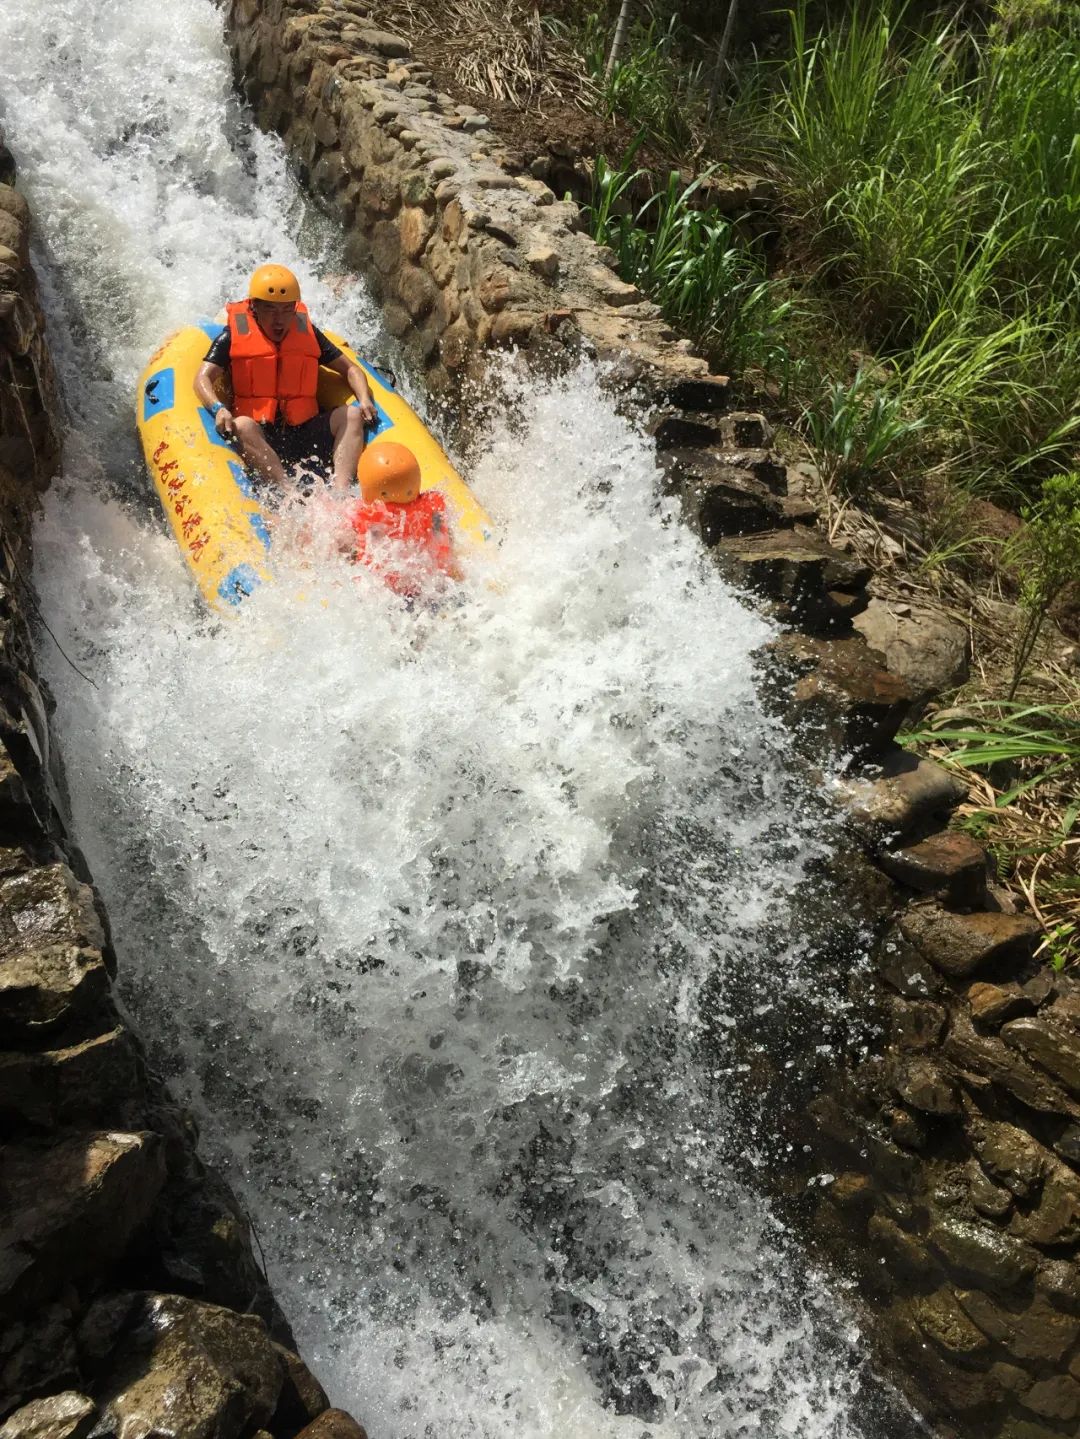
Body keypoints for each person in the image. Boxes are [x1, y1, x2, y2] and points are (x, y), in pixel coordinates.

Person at [193, 263, 378, 497]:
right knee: (242, 426)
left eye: (286, 310)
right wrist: (218, 408)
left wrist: (364, 399)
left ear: (295, 308)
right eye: (270, 309)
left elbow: (351, 370)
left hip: (304, 432)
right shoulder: (232, 336)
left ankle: (341, 495)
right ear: (253, 306)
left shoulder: (308, 334)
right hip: (261, 435)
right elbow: (202, 378)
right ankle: (289, 495)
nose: (279, 320)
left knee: (351, 414)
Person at [348, 441, 462, 598]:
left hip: (385, 591)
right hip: (432, 584)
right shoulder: (433, 504)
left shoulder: (365, 514)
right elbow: (446, 538)